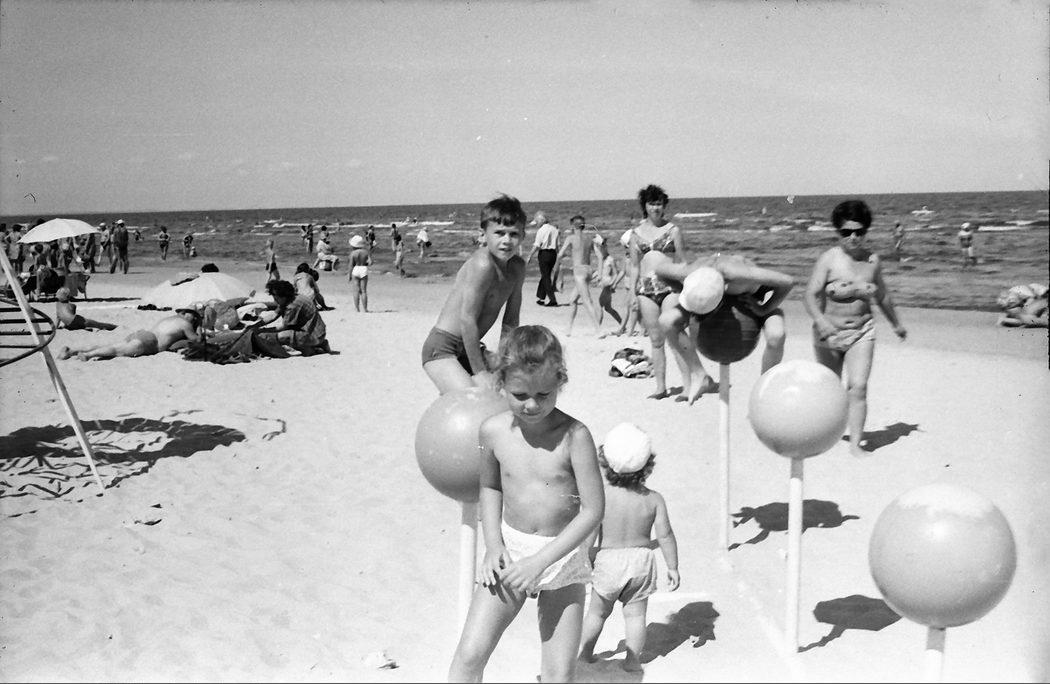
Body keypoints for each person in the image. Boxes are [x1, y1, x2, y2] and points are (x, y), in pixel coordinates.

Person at [448, 325, 604, 683]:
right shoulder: (492, 431)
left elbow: (593, 510)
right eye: (520, 395)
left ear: (560, 381)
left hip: (562, 557)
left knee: (558, 674)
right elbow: (490, 487)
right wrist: (493, 545)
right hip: (512, 552)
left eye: (543, 394)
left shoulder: (575, 436)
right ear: (501, 382)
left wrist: (540, 562)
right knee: (469, 655)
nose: (532, 405)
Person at [804, 199, 907, 458]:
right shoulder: (828, 259)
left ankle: (855, 445)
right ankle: (822, 434)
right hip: (829, 333)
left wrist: (896, 324)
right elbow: (810, 295)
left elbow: (882, 296)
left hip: (863, 331)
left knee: (858, 387)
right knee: (830, 388)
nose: (853, 237)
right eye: (846, 232)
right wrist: (821, 321)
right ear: (838, 231)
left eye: (859, 232)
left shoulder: (873, 261)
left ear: (866, 231)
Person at [578, 423, 680, 672]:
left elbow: (589, 534)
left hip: (609, 561)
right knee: (635, 616)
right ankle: (633, 661)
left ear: (605, 462)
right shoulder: (654, 499)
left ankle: (584, 654)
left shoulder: (601, 496)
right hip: (641, 562)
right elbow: (665, 535)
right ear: (647, 465)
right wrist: (673, 567)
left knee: (597, 613)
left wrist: (583, 561)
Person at [421, 194, 526, 394]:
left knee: (519, 383)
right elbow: (467, 319)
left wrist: (504, 362)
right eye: (499, 233)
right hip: (442, 349)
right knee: (474, 397)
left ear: (523, 236)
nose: (506, 240)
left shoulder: (517, 268)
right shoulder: (483, 264)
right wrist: (480, 373)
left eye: (513, 234)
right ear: (483, 235)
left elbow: (511, 320)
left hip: (470, 348)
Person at [627, 184, 693, 401]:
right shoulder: (635, 234)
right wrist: (631, 293)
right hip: (645, 289)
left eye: (659, 203)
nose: (656, 207)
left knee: (674, 335)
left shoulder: (673, 230)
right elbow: (634, 266)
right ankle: (660, 387)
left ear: (664, 206)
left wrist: (688, 287)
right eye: (651, 203)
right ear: (644, 206)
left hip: (669, 287)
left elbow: (682, 262)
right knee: (655, 340)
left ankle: (687, 386)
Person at [57, 308, 201, 361]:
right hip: (150, 342)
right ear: (185, 314)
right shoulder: (185, 324)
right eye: (193, 316)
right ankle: (88, 355)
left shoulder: (170, 318)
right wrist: (199, 327)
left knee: (112, 346)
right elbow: (196, 340)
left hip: (143, 334)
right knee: (115, 350)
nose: (193, 319)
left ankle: (72, 351)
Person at [554, 214, 603, 336]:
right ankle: (568, 329)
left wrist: (556, 268)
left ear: (572, 226)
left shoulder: (570, 238)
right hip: (588, 270)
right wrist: (600, 272)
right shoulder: (589, 238)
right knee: (573, 300)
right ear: (583, 226)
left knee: (587, 301)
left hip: (579, 271)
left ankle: (598, 330)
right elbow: (600, 256)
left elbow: (560, 254)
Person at [260, 279, 330, 355]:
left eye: (276, 298)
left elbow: (283, 327)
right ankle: (321, 344)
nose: (275, 301)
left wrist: (263, 331)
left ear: (283, 296)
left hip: (313, 336)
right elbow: (273, 315)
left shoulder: (292, 306)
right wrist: (257, 325)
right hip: (319, 333)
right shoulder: (292, 297)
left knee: (281, 336)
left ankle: (312, 349)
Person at [525, 210, 560, 307]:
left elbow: (537, 245)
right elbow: (558, 245)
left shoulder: (541, 230)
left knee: (545, 277)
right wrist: (559, 257)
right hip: (553, 254)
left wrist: (529, 255)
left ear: (541, 220)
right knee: (546, 275)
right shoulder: (554, 229)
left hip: (544, 254)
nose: (536, 224)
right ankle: (541, 297)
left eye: (537, 222)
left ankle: (553, 300)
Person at [595, 235, 624, 328]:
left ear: (605, 248)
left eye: (602, 248)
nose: (600, 250)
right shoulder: (601, 259)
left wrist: (613, 283)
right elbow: (600, 271)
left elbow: (615, 273)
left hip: (608, 285)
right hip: (603, 285)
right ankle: (622, 325)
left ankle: (597, 328)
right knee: (608, 308)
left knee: (599, 305)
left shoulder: (610, 259)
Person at [348, 235, 371, 312]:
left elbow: (351, 265)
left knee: (356, 290)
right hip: (363, 268)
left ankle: (357, 308)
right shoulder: (365, 252)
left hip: (356, 269)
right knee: (363, 291)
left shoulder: (353, 253)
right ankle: (365, 309)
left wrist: (349, 275)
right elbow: (370, 262)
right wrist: (365, 263)